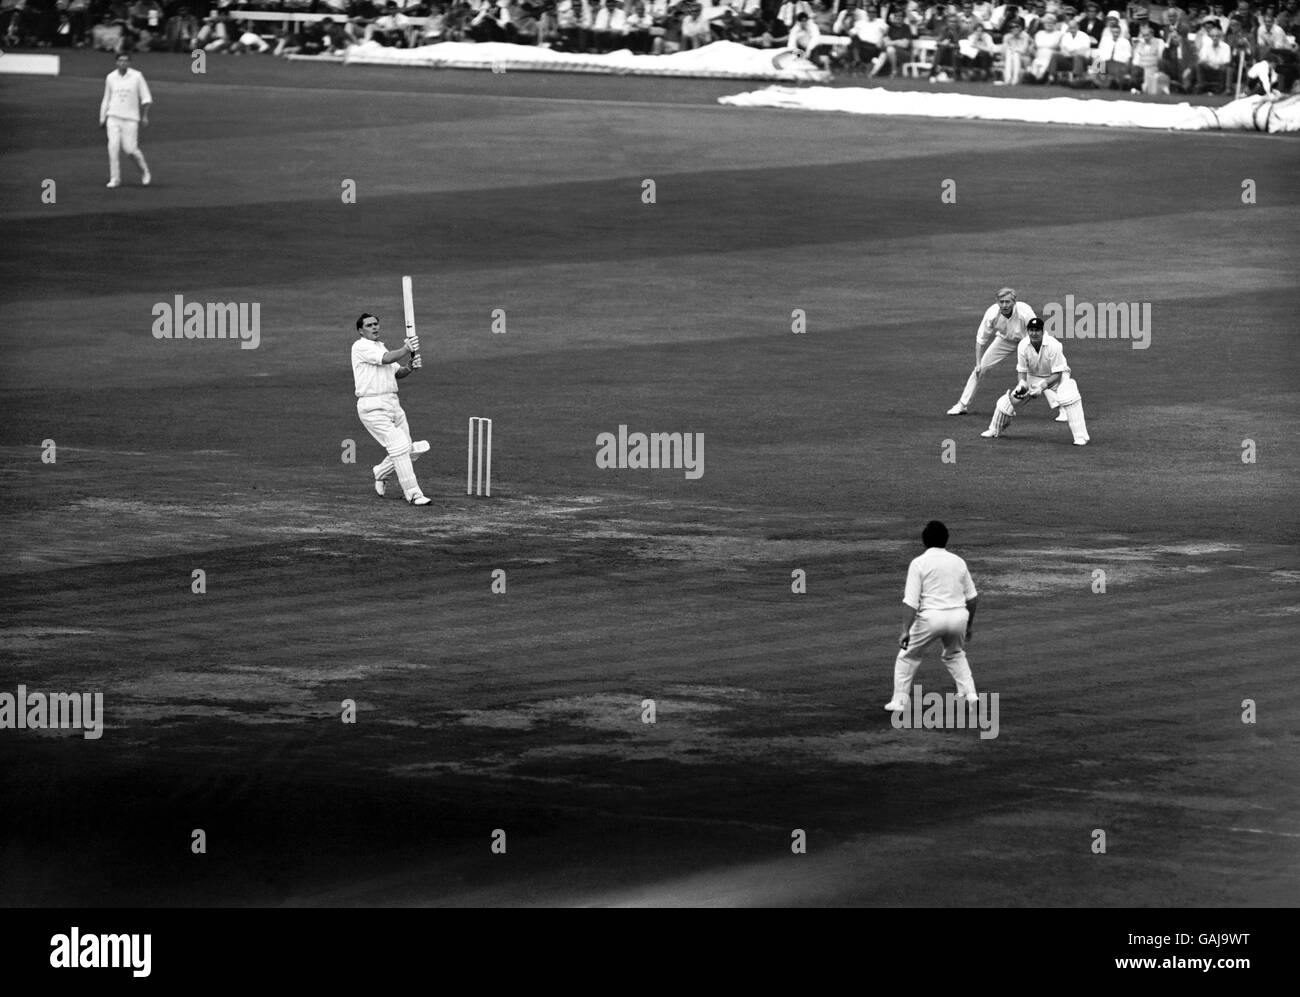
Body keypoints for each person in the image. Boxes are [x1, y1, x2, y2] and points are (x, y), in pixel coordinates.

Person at [884, 520, 980, 713]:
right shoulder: (958, 561)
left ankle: (899, 702)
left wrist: (905, 630)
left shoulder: (918, 563)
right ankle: (971, 695)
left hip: (931, 618)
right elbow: (972, 598)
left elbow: (911, 601)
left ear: (924, 541)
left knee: (908, 656)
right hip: (958, 617)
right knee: (955, 654)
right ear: (946, 540)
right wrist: (968, 626)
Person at [352, 313, 433, 505]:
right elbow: (387, 359)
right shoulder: (360, 346)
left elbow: (398, 372)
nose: (374, 327)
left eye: (376, 324)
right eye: (369, 325)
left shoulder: (380, 347)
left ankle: (380, 472)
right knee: (399, 446)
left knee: (408, 450)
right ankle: (414, 494)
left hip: (393, 404)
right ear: (360, 330)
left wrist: (410, 366)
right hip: (372, 406)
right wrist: (406, 348)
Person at [947, 288, 1063, 419]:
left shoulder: (1025, 311)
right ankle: (962, 405)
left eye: (1007, 302)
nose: (1004, 305)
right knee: (980, 370)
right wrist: (978, 363)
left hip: (1027, 341)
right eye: (1001, 302)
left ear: (1014, 302)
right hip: (1004, 340)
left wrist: (1041, 350)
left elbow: (1037, 331)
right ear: (997, 302)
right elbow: (981, 339)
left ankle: (1062, 409)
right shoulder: (992, 313)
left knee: (1040, 373)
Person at [980, 316, 1090, 445]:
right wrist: (1022, 383)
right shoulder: (1023, 345)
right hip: (1034, 375)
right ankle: (994, 429)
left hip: (1056, 375)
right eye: (1031, 330)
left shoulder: (1054, 345)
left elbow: (1058, 374)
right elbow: (1021, 371)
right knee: (1009, 400)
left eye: (1037, 330)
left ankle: (1080, 436)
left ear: (1043, 331)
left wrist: (1041, 387)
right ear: (1028, 331)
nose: (1034, 333)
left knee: (1069, 396)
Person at [99, 52, 151, 189]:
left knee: (130, 149)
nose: (122, 63)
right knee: (113, 147)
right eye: (120, 61)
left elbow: (146, 98)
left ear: (129, 63)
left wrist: (145, 116)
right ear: (116, 62)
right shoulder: (110, 77)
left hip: (130, 118)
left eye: (125, 61)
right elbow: (106, 98)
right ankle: (115, 179)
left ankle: (144, 171)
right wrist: (102, 117)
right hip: (113, 117)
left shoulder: (137, 76)